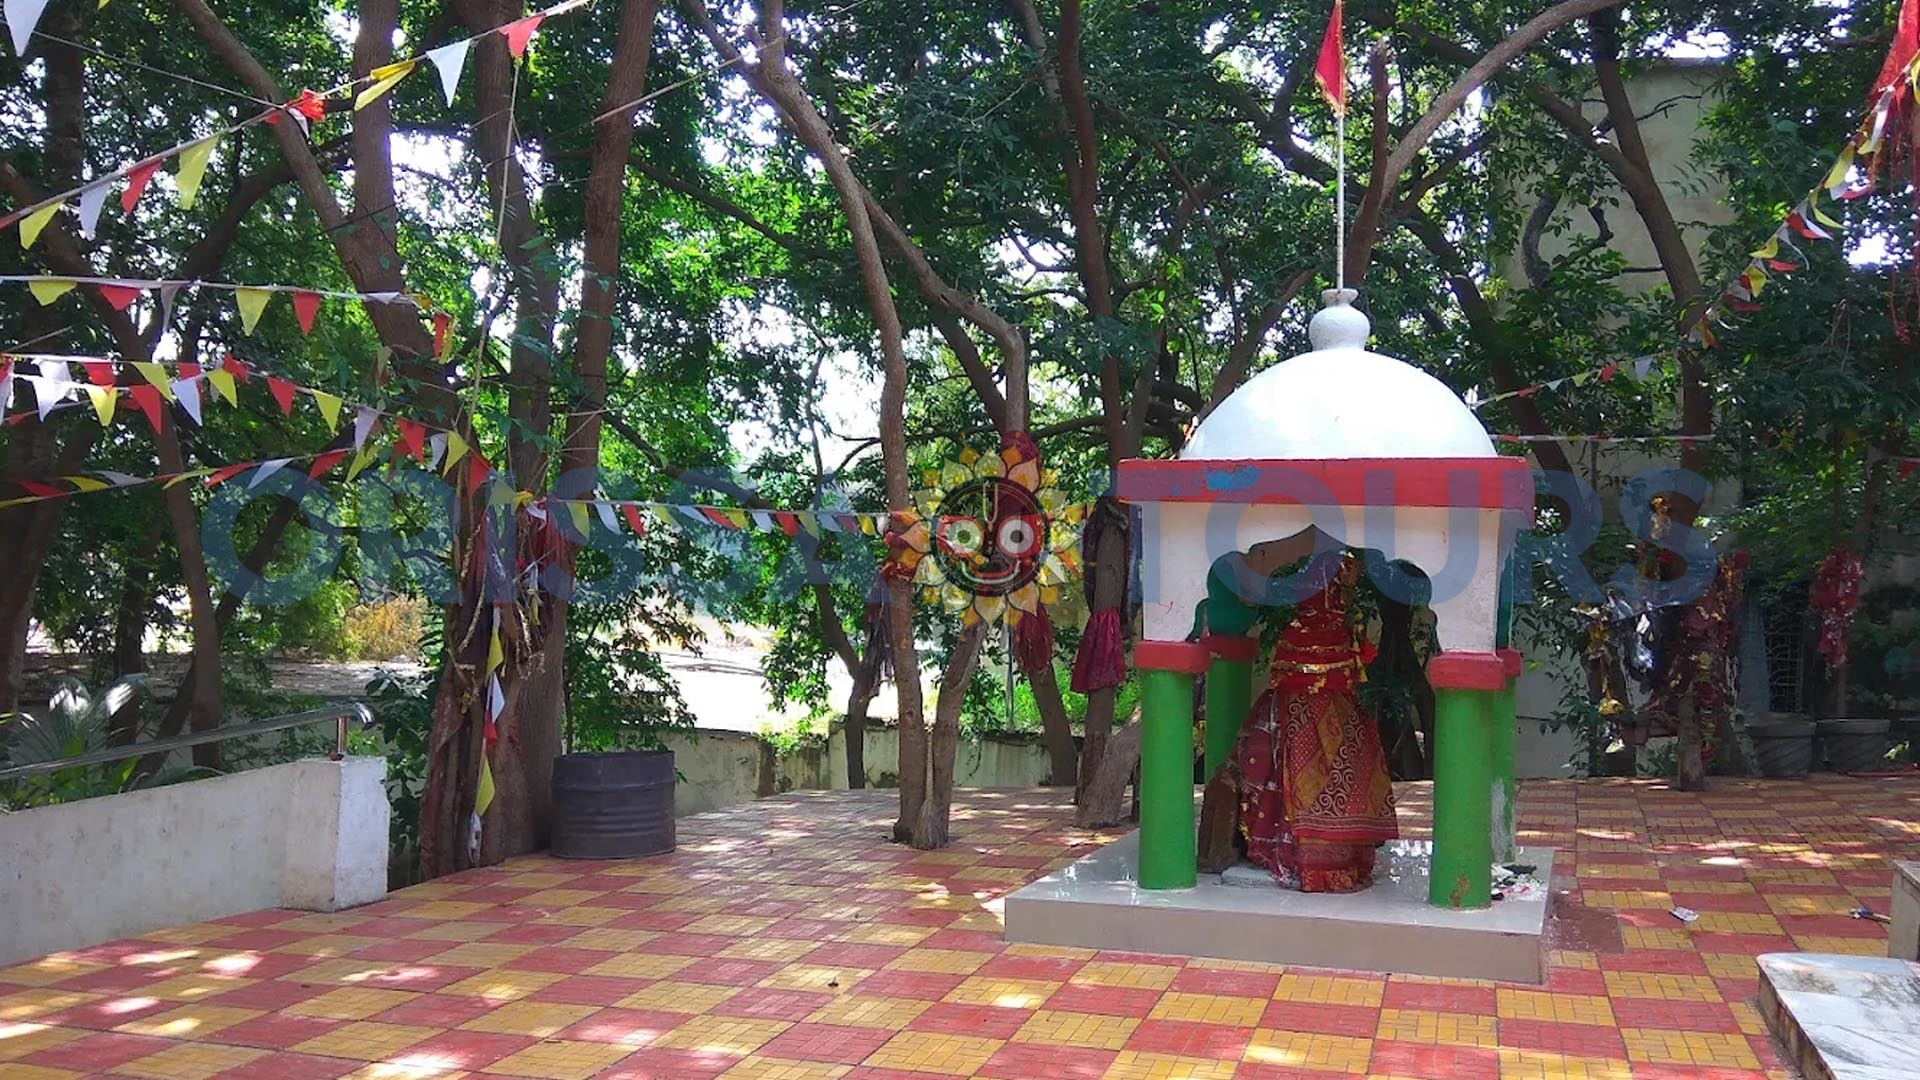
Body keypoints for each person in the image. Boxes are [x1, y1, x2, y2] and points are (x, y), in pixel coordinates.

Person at [1234, 554, 1397, 892]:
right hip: (1313, 721)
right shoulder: (1330, 636)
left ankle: (1320, 855)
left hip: (1303, 721)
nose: (1342, 599)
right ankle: (1323, 857)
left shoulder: (1308, 635)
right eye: (1338, 591)